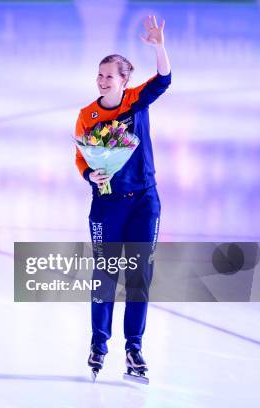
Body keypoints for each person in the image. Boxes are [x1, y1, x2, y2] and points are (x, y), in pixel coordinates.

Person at [74, 15, 171, 380]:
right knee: (105, 275)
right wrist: (89, 173)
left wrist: (159, 46)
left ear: (124, 80)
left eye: (109, 76)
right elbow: (80, 155)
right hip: (107, 203)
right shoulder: (88, 114)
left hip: (145, 199)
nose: (102, 81)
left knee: (139, 276)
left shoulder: (135, 101)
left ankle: (134, 348)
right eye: (99, 75)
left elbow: (164, 80)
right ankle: (99, 345)